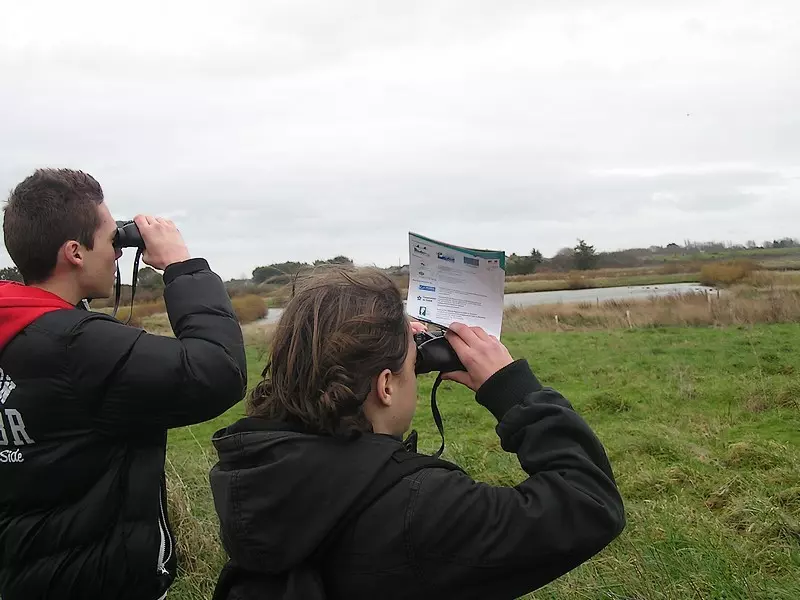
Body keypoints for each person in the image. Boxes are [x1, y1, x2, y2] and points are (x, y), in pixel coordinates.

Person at [208, 268, 625, 600]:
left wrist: (395, 353)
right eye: (412, 366)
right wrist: (513, 390)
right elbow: (588, 503)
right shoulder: (420, 509)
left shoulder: (253, 472)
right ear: (385, 386)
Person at [0, 169, 247, 600]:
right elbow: (219, 371)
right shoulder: (79, 346)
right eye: (111, 239)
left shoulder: (18, 327)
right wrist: (181, 266)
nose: (117, 252)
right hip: (91, 581)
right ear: (75, 252)